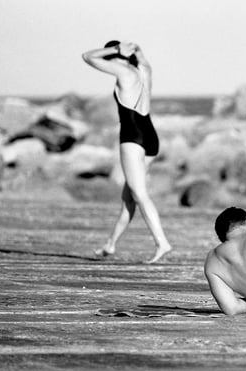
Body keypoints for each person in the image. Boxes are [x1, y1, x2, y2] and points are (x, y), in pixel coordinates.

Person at [82, 41, 172, 263]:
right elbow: (142, 57)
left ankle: (162, 242)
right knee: (128, 197)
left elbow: (88, 56)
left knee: (139, 194)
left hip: (133, 138)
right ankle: (110, 244)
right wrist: (137, 49)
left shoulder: (122, 71)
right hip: (150, 137)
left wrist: (114, 50)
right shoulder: (143, 70)